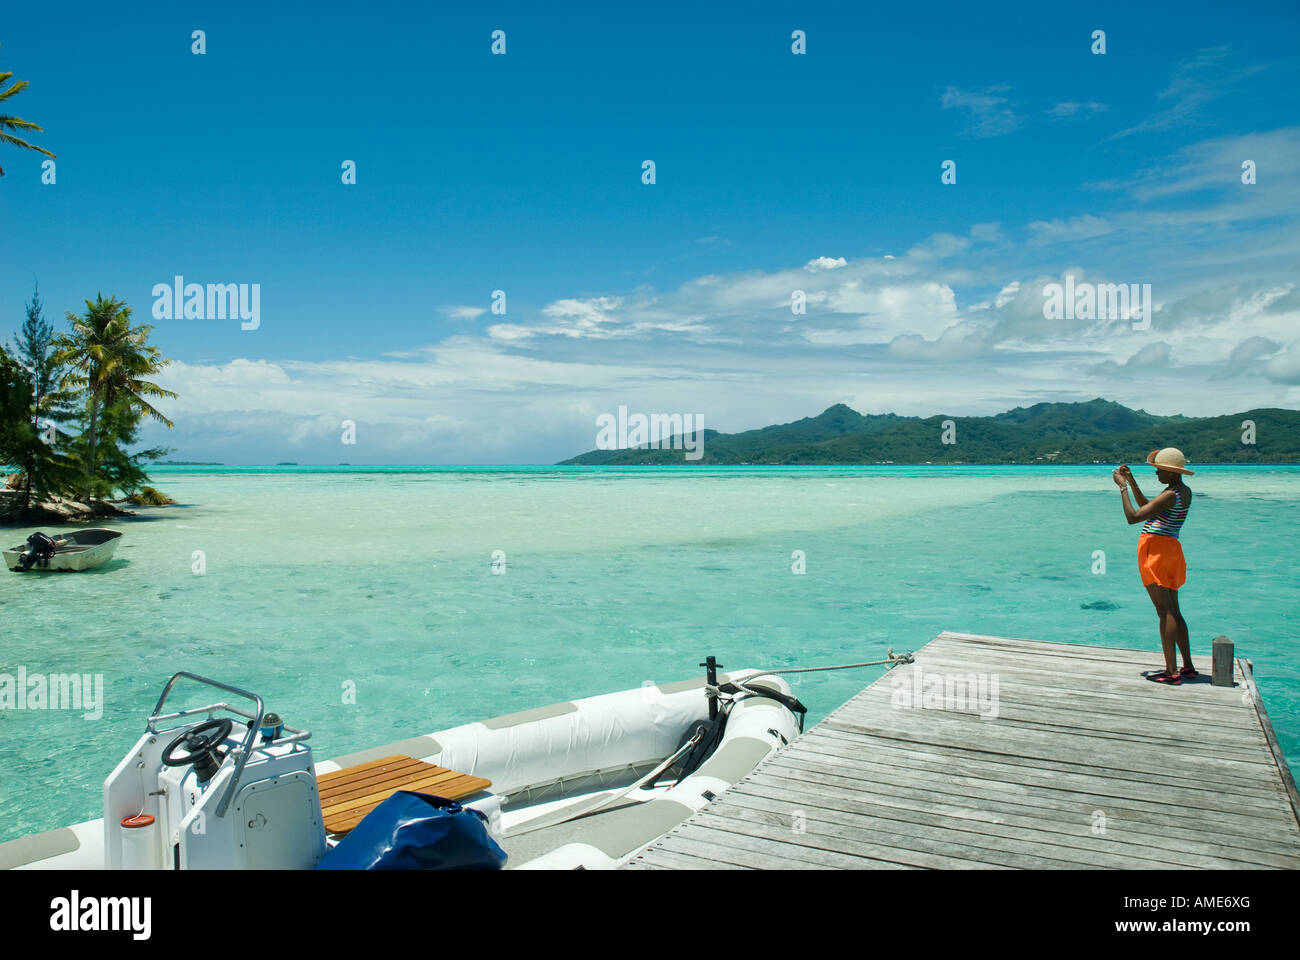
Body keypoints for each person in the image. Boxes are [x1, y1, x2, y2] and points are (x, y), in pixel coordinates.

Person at [1112, 448, 1195, 685]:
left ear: (1171, 472)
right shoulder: (1180, 491)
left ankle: (1171, 671)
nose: (1157, 472)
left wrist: (1122, 488)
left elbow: (1133, 516)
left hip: (1157, 551)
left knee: (1164, 611)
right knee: (1174, 610)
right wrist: (1132, 480)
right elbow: (1150, 508)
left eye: (1159, 469)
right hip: (1170, 550)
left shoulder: (1171, 494)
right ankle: (1187, 666)